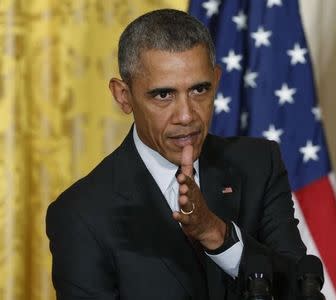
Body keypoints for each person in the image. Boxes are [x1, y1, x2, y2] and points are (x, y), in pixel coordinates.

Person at [46, 9, 309, 299]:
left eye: (199, 89)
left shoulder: (259, 165)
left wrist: (216, 234)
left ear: (217, 80)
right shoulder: (81, 214)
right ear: (123, 96)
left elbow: (300, 288)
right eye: (163, 95)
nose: (186, 116)